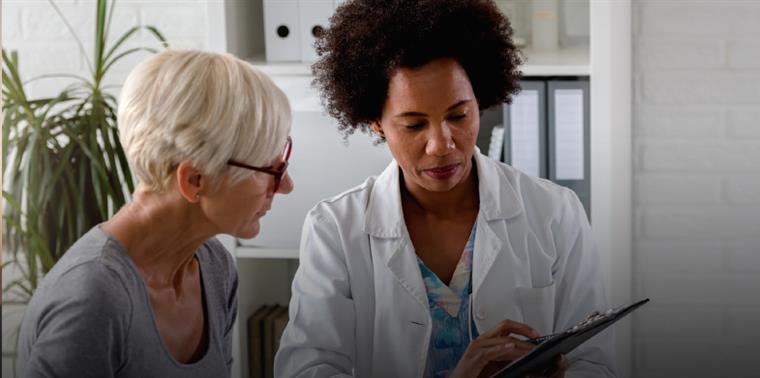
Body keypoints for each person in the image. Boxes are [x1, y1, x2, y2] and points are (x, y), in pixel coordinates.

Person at [275, 0, 614, 377]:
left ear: (480, 100)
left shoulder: (555, 213)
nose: (442, 144)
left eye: (458, 115)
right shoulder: (334, 230)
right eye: (414, 125)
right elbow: (306, 369)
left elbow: (595, 361)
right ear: (375, 121)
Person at [17, 49, 295, 377]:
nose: (286, 185)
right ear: (194, 180)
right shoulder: (91, 300)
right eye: (269, 169)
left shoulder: (215, 268)